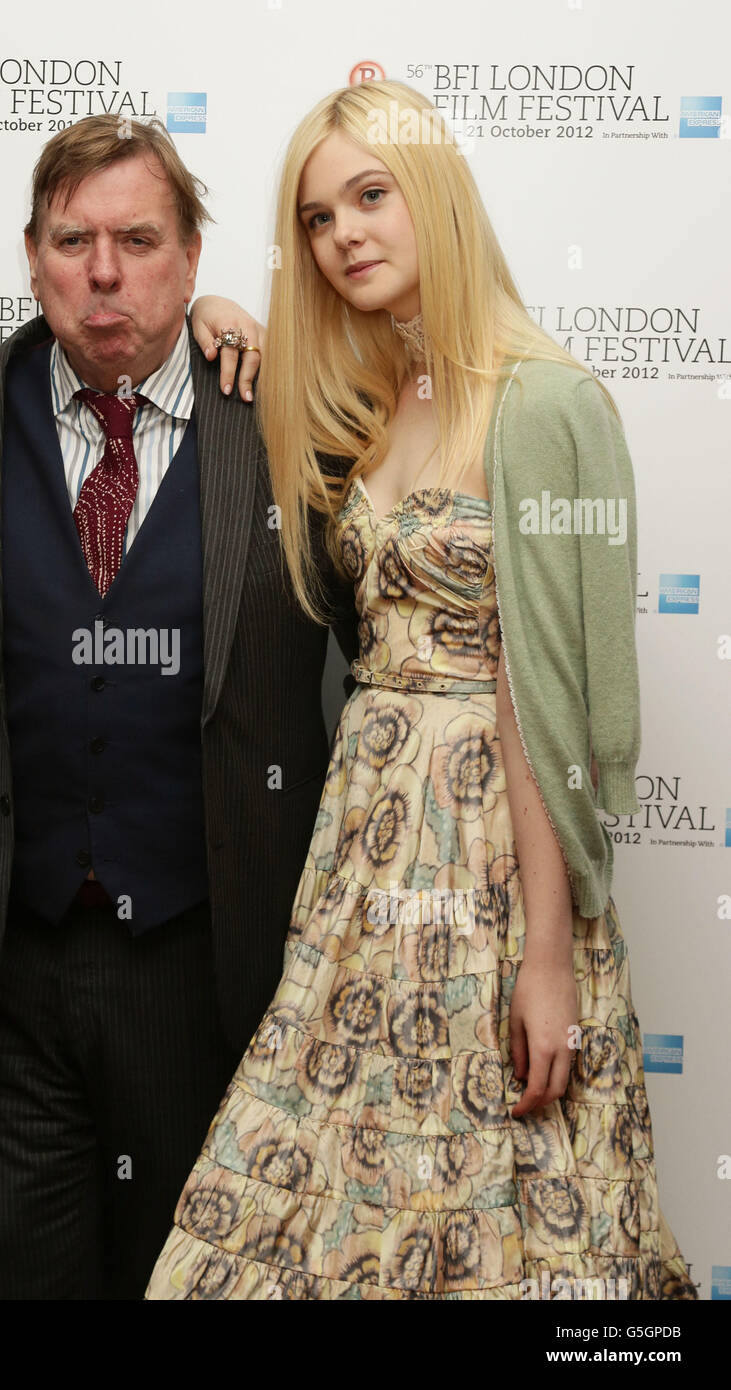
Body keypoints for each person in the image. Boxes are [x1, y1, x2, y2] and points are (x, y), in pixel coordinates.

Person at [146, 80, 698, 1301]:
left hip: (497, 869)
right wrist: (232, 306)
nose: (341, 232)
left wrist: (544, 956)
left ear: (434, 197)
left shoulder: (546, 404)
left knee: (506, 1199)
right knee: (317, 1187)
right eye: (314, 217)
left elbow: (545, 693)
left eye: (371, 194)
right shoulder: (364, 403)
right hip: (359, 853)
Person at [0, 114, 360, 1299]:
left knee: (197, 1276)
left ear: (192, 253)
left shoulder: (286, 421)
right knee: (24, 1271)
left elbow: (394, 669)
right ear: (28, 254)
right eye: (71, 240)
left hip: (208, 962)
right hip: (8, 974)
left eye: (136, 239)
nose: (102, 271)